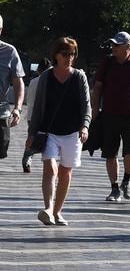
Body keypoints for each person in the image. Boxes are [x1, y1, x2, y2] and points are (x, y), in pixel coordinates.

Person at [27, 38, 91, 226]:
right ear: (56, 55)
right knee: (50, 167)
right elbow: (38, 109)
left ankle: (58, 211)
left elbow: (86, 105)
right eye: (65, 54)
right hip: (50, 132)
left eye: (72, 54)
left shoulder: (79, 77)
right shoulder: (46, 77)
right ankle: (48, 208)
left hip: (72, 132)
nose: (69, 58)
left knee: (66, 171)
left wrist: (85, 125)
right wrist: (31, 133)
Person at [91, 31, 130, 203]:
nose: (113, 48)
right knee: (110, 153)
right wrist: (94, 108)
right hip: (109, 115)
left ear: (128, 47)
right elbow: (97, 87)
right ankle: (114, 188)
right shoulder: (108, 62)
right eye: (113, 45)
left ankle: (127, 181)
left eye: (117, 46)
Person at [0, 14, 26, 164]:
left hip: (1, 113)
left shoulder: (9, 51)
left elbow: (18, 82)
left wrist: (17, 108)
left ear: (1, 30)